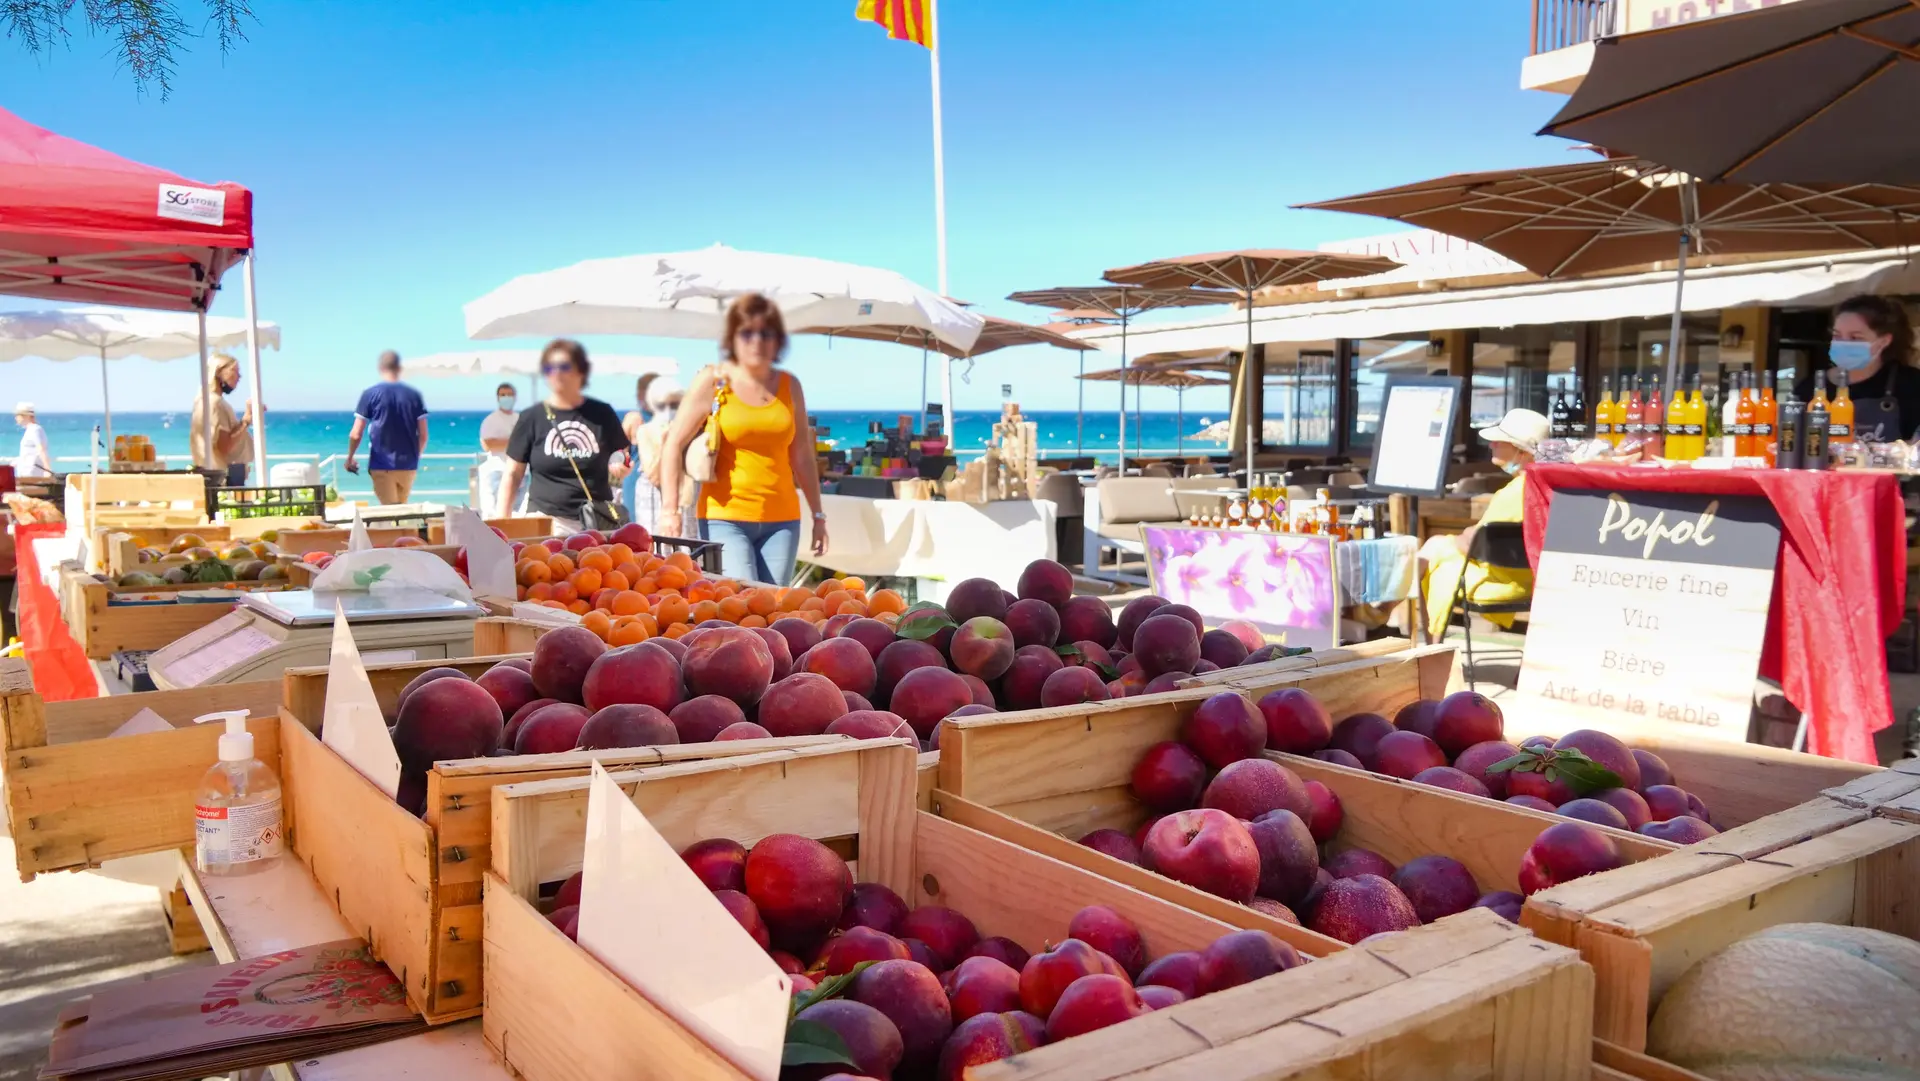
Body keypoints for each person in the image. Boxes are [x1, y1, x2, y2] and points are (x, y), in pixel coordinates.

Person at [661, 293, 826, 585]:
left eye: (766, 332)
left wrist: (819, 516)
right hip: (724, 517)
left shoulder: (790, 385)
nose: (757, 341)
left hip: (783, 520)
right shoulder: (714, 381)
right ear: (732, 338)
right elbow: (673, 443)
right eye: (747, 332)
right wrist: (670, 510)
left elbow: (801, 453)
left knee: (774, 610)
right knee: (742, 605)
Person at [1419, 407, 1546, 641]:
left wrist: (1462, 537)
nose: (1491, 445)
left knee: (1430, 553)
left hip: (1500, 582)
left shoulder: (1514, 493)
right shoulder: (1543, 489)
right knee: (1435, 545)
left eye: (1499, 440)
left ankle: (1429, 644)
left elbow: (1476, 544)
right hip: (1532, 580)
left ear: (1519, 450)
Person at [498, 339, 630, 535]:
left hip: (597, 521)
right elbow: (513, 473)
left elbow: (621, 453)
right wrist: (502, 523)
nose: (557, 373)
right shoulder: (531, 417)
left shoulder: (602, 414)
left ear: (580, 371)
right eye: (550, 368)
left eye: (564, 366)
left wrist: (620, 466)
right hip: (547, 523)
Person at [1794, 294, 1920, 442]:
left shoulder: (1911, 384)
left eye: (1855, 338)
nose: (1844, 343)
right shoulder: (1809, 388)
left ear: (1883, 341)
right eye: (1837, 336)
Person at [346, 351, 429, 505]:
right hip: (408, 466)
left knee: (390, 513)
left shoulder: (370, 394)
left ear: (380, 368)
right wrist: (415, 457)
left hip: (382, 464)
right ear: (399, 368)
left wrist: (350, 458)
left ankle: (404, 529)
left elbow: (356, 434)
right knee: (402, 511)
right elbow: (423, 435)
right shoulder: (414, 395)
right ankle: (408, 529)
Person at [626, 377, 684, 537]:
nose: (668, 410)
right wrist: (669, 445)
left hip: (683, 503)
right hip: (651, 503)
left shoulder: (685, 429)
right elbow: (654, 475)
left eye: (674, 404)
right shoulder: (645, 430)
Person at [190, 353, 254, 485]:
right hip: (223, 478)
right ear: (218, 372)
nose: (239, 377)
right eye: (234, 371)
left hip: (213, 475)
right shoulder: (215, 403)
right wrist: (246, 420)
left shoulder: (203, 400)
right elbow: (224, 446)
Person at [619, 373, 660, 522]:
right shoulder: (634, 418)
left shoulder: (667, 419)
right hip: (637, 483)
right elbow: (618, 451)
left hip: (661, 481)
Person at [478, 382, 522, 515]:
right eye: (503, 395)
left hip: (520, 474)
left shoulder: (520, 419)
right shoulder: (491, 420)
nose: (506, 397)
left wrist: (506, 442)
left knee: (516, 514)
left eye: (509, 394)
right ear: (498, 398)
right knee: (496, 514)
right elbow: (487, 445)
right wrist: (515, 442)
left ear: (515, 397)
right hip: (497, 471)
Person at [13, 401, 49, 478]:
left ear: (26, 416)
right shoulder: (30, 430)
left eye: (18, 415)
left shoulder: (35, 429)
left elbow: (41, 449)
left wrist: (47, 470)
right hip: (26, 471)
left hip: (32, 472)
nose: (16, 418)